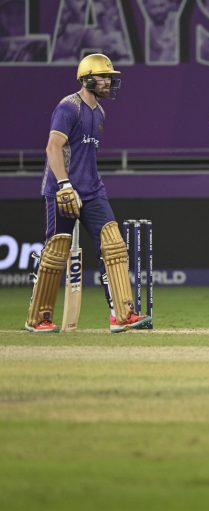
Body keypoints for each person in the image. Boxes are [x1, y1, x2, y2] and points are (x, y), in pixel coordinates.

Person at [25, 53, 151, 333]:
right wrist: (64, 184)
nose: (109, 82)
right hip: (62, 191)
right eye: (104, 77)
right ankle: (38, 319)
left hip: (93, 191)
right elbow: (53, 147)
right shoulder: (69, 108)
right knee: (56, 252)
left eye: (110, 77)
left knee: (114, 245)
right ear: (87, 78)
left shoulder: (100, 112)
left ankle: (122, 315)